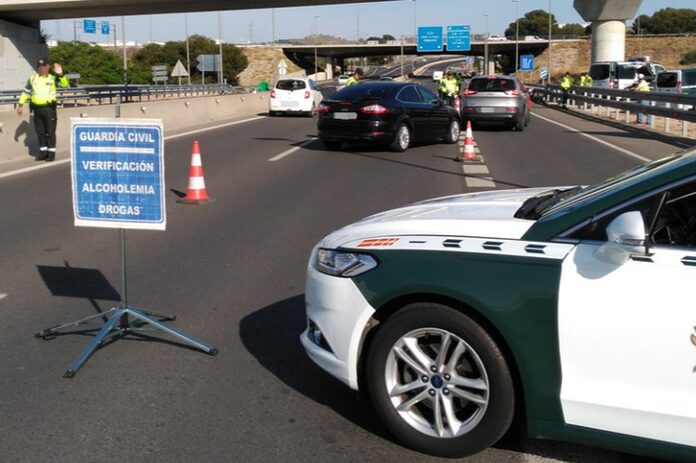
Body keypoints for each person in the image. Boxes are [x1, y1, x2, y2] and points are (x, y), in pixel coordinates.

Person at [17, 58, 69, 162]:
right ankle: (43, 153)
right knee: (40, 132)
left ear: (47, 67)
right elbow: (26, 92)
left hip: (49, 109)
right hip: (37, 110)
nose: (42, 69)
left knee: (50, 132)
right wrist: (20, 104)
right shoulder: (32, 79)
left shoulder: (52, 78)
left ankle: (51, 154)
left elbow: (65, 85)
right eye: (40, 67)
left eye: (44, 67)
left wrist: (61, 74)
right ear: (37, 68)